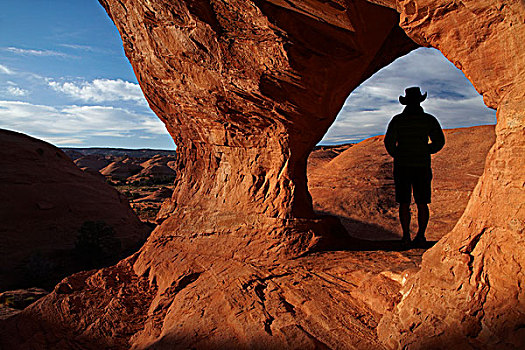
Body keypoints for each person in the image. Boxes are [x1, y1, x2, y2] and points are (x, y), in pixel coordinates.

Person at [384, 87, 445, 247]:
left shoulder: (398, 120)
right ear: (419, 101)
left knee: (404, 202)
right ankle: (420, 236)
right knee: (422, 202)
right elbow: (439, 141)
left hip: (402, 166)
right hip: (422, 166)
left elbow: (389, 142)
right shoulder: (428, 120)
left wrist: (399, 154)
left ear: (406, 102)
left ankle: (405, 236)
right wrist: (425, 150)